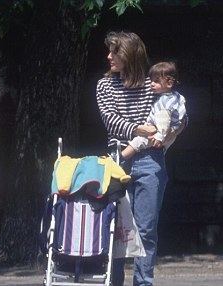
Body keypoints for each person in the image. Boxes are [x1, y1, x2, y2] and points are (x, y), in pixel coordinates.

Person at [96, 31, 166, 286]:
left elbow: (169, 112)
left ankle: (143, 283)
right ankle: (113, 282)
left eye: (115, 52)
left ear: (130, 54)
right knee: (116, 229)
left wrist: (171, 129)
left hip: (150, 160)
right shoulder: (104, 85)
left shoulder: (152, 86)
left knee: (146, 230)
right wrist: (139, 129)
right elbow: (111, 121)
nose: (109, 56)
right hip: (118, 161)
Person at [121, 61, 187, 159]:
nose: (151, 84)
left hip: (158, 132)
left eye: (156, 81)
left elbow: (164, 120)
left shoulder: (163, 102)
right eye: (151, 80)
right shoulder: (177, 96)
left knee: (138, 141)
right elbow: (183, 111)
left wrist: (159, 136)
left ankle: (120, 157)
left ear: (169, 83)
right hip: (171, 133)